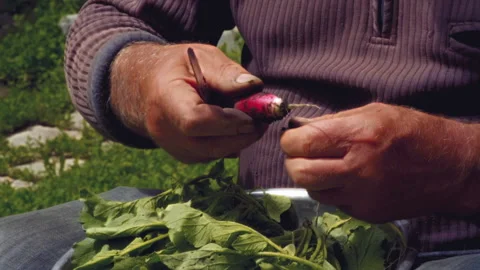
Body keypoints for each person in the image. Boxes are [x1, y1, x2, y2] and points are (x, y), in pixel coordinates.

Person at [1, 1, 480, 269]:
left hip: (458, 242)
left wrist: (461, 164)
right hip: (258, 223)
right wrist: (143, 75)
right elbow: (111, 20)